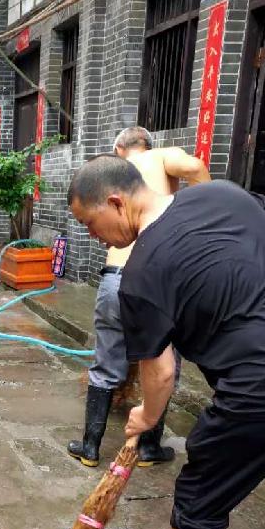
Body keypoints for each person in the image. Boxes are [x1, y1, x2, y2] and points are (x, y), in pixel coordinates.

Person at [68, 156, 265, 529]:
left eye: (90, 224)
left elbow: (162, 371)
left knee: (201, 495)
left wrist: (146, 417)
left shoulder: (142, 273)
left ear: (115, 201)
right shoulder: (223, 193)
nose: (94, 236)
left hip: (261, 384)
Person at [68, 127, 211, 468]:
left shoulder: (119, 175)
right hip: (158, 283)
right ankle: (148, 448)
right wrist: (197, 218)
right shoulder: (162, 157)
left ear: (119, 150)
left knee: (106, 362)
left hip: (114, 282)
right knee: (165, 364)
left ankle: (90, 446)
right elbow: (194, 168)